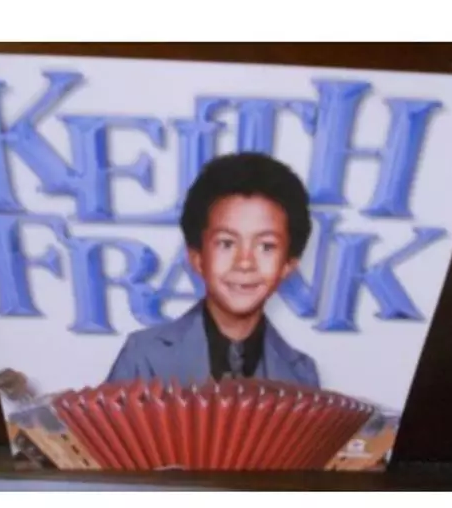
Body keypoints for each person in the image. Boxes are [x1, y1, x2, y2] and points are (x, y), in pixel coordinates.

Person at [105, 152, 320, 387]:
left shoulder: (302, 374)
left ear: (288, 264)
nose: (245, 262)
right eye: (226, 243)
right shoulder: (142, 356)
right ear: (196, 257)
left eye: (266, 246)